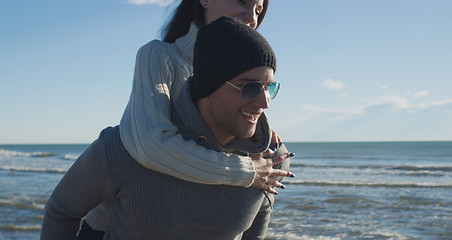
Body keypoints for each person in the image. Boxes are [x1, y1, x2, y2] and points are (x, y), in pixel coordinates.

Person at [41, 16, 291, 240]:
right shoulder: (122, 149)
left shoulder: (272, 162)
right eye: (250, 88)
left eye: (269, 87)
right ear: (208, 86)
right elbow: (62, 211)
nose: (264, 103)